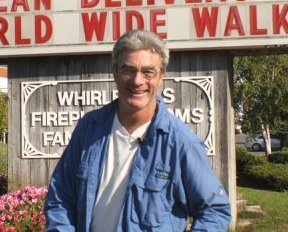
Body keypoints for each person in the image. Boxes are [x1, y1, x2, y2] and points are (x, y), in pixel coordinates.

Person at [44, 29, 231, 231]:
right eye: (128, 70)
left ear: (161, 77)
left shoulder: (180, 143)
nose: (137, 81)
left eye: (148, 72)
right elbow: (60, 198)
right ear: (115, 73)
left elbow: (215, 210)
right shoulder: (89, 128)